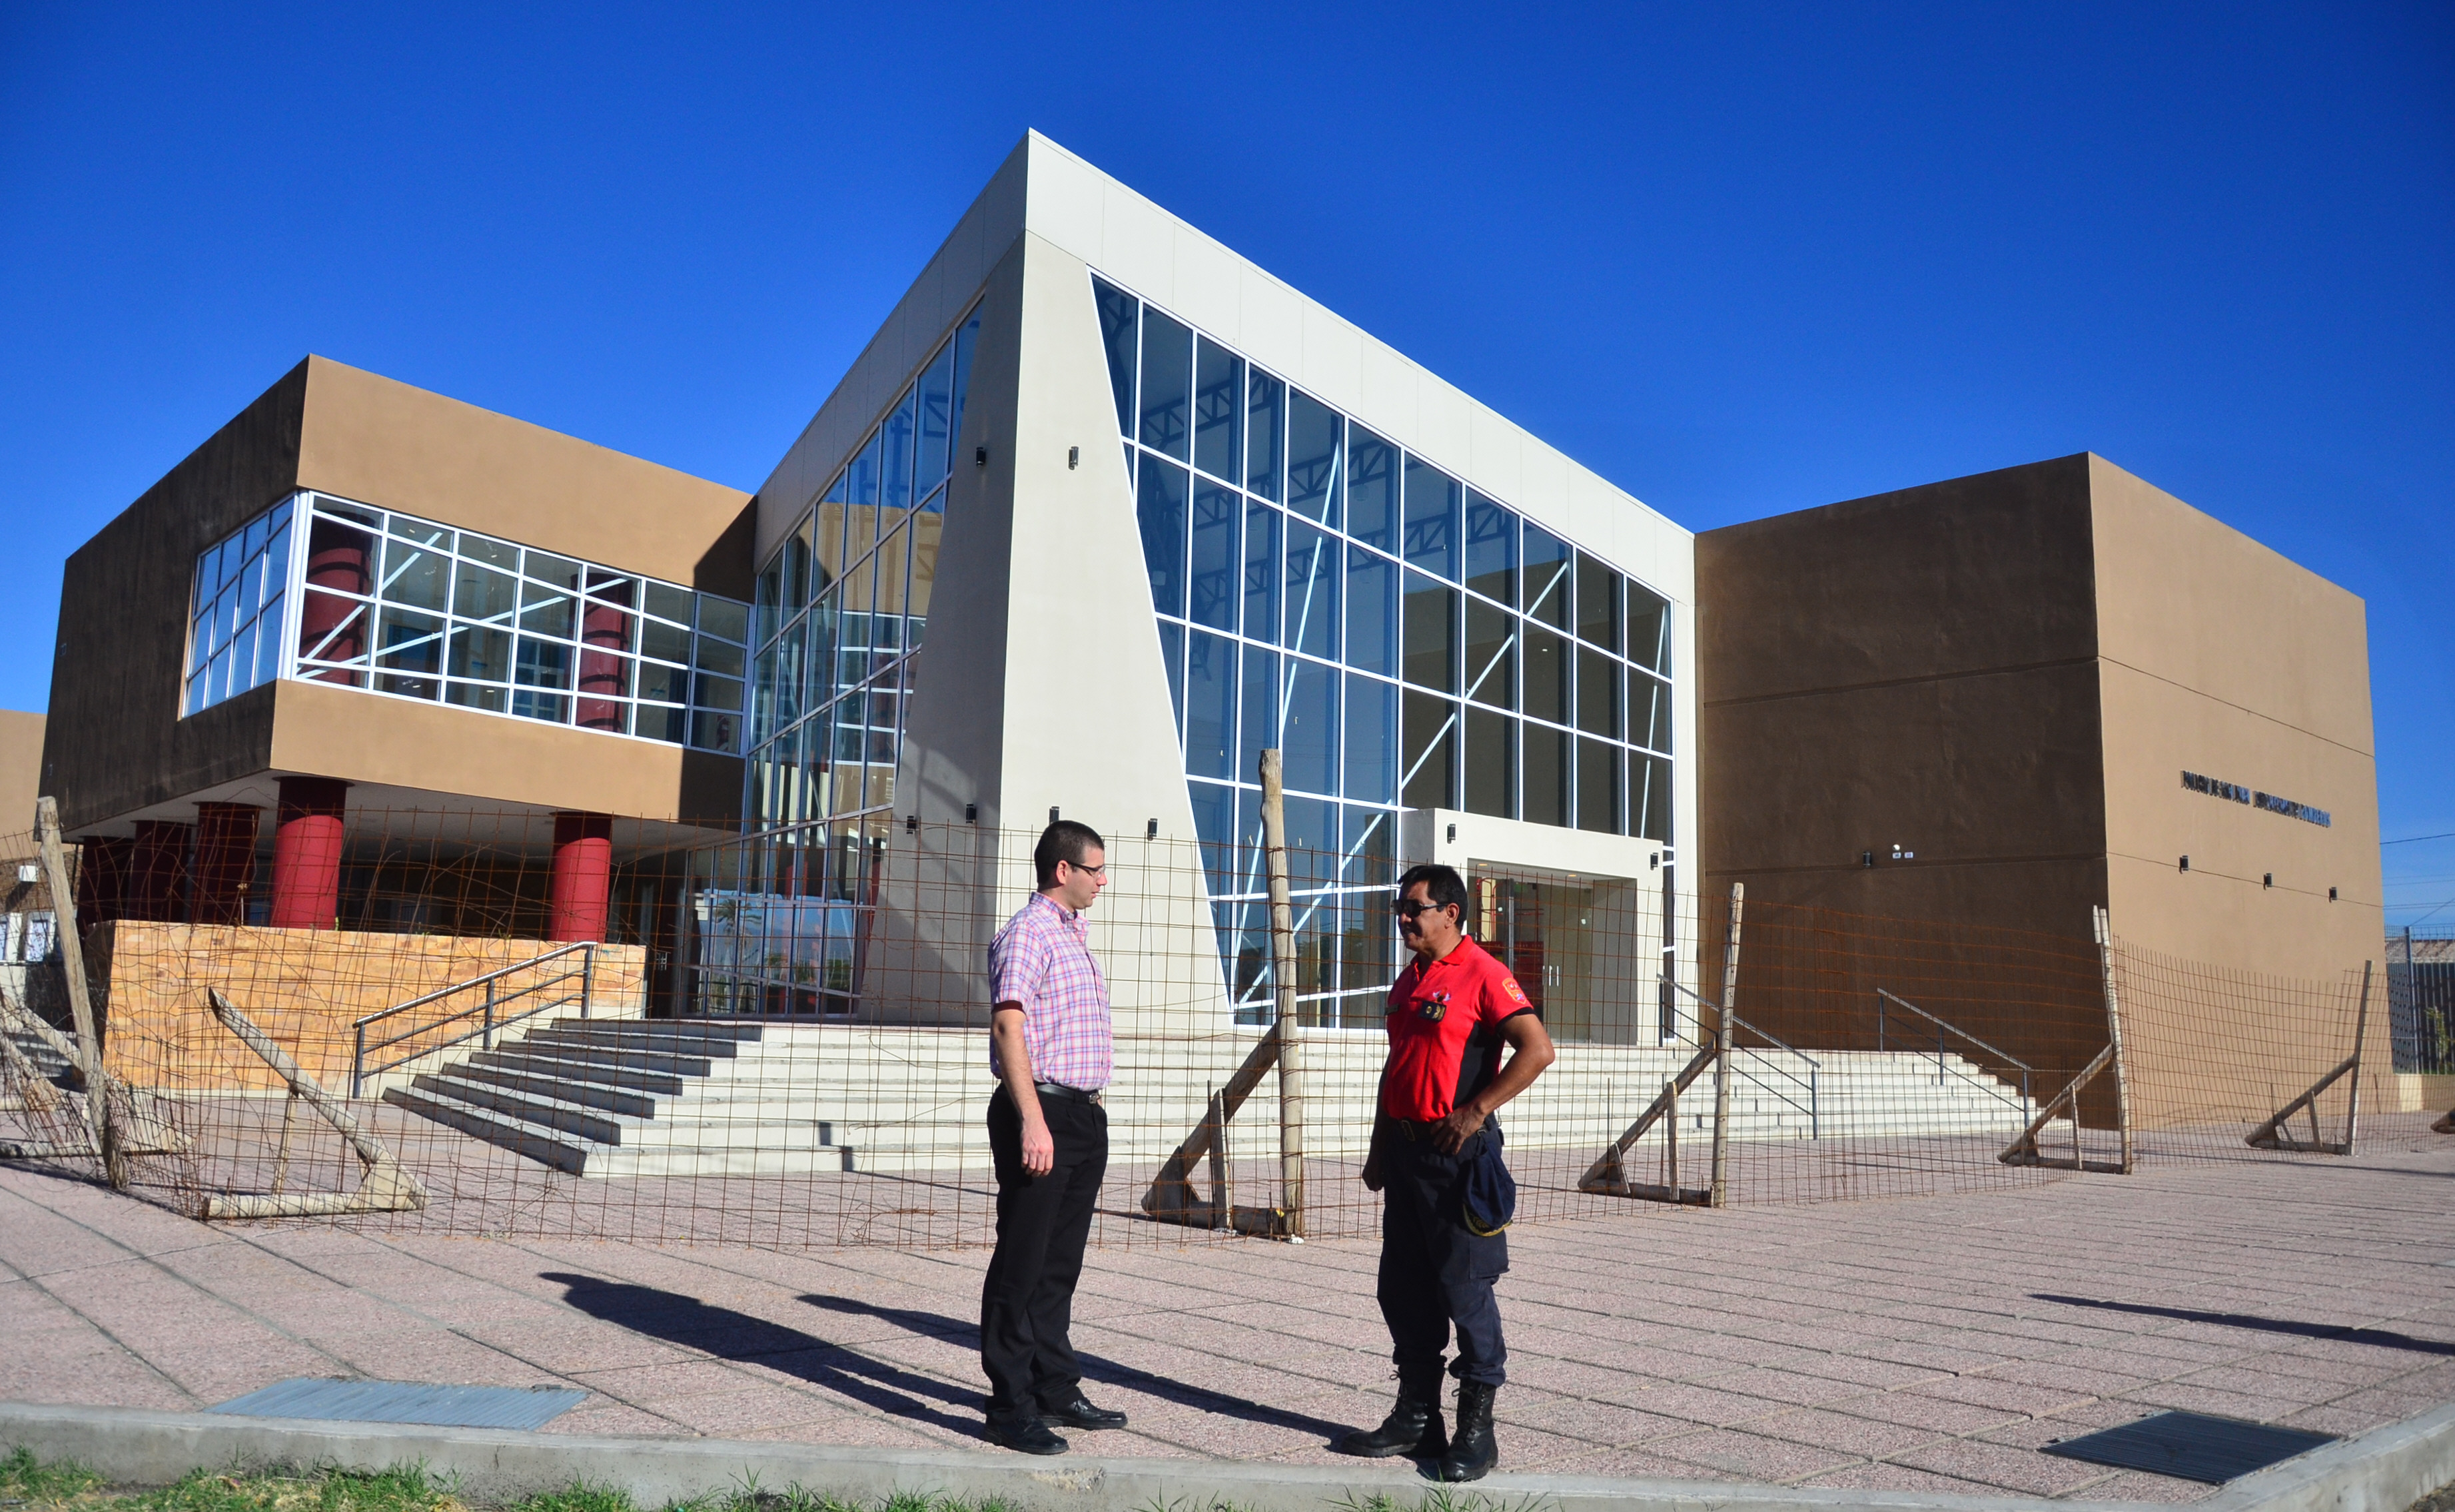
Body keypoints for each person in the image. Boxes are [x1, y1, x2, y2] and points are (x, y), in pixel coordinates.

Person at [1338, 862, 1556, 1482]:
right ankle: (1416, 1420)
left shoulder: (1484, 973)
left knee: (1465, 1290)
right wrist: (1381, 1147)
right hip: (1407, 1156)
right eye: (1399, 909)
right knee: (1402, 1288)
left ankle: (1475, 1433)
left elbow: (1537, 1049)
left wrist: (1474, 1111)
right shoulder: (1410, 979)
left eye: (1413, 908)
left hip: (1458, 1160)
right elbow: (1397, 1067)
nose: (1403, 918)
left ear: (1450, 913)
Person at [978, 819, 1129, 1455]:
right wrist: (1033, 1119)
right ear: (1062, 870)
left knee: (1059, 1263)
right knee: (1022, 1258)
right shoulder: (1029, 932)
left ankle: (1053, 1384)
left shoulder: (1073, 935)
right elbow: (1008, 1028)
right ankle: (1009, 1403)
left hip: (1081, 1115)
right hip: (1040, 1111)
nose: (1103, 880)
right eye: (1095, 869)